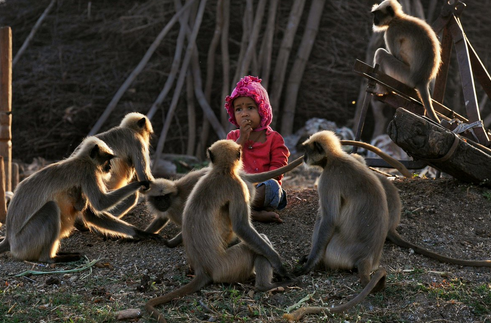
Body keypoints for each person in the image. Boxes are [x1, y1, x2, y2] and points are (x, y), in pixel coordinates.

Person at [224, 75, 290, 223]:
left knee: (272, 186)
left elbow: (278, 170)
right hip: (238, 190)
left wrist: (256, 187)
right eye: (239, 109)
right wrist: (241, 140)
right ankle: (251, 213)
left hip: (263, 189)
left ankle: (242, 211)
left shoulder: (274, 139)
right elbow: (226, 164)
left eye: (250, 107)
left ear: (262, 110)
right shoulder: (233, 137)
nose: (245, 113)